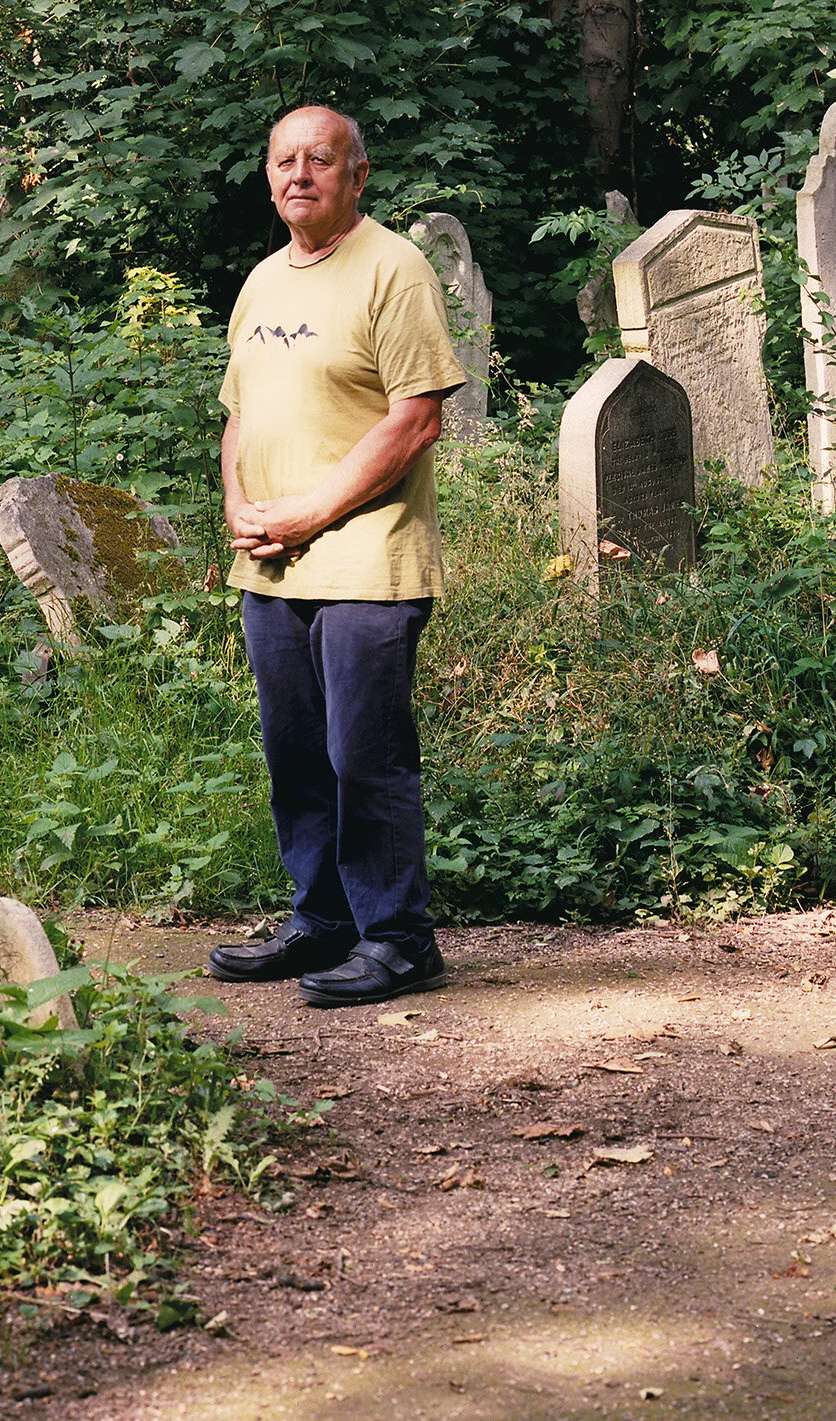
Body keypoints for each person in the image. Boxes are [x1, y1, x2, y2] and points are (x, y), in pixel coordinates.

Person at [207, 103, 464, 1004]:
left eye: (321, 159)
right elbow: (241, 413)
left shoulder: (393, 268)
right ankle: (322, 924)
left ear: (358, 174)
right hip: (271, 565)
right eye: (284, 160)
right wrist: (241, 503)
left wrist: (311, 509)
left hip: (367, 561)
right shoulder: (262, 281)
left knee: (365, 754)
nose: (299, 174)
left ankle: (399, 938)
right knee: (297, 755)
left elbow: (417, 417)